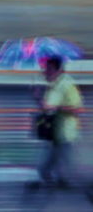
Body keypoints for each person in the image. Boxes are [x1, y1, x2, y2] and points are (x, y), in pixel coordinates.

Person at [32, 55, 83, 189]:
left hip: (65, 134)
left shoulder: (68, 85)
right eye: (45, 68)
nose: (45, 71)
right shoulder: (51, 86)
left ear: (58, 70)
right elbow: (47, 108)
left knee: (66, 171)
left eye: (48, 69)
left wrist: (56, 108)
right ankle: (58, 187)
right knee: (45, 169)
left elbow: (77, 109)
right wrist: (38, 98)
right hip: (52, 134)